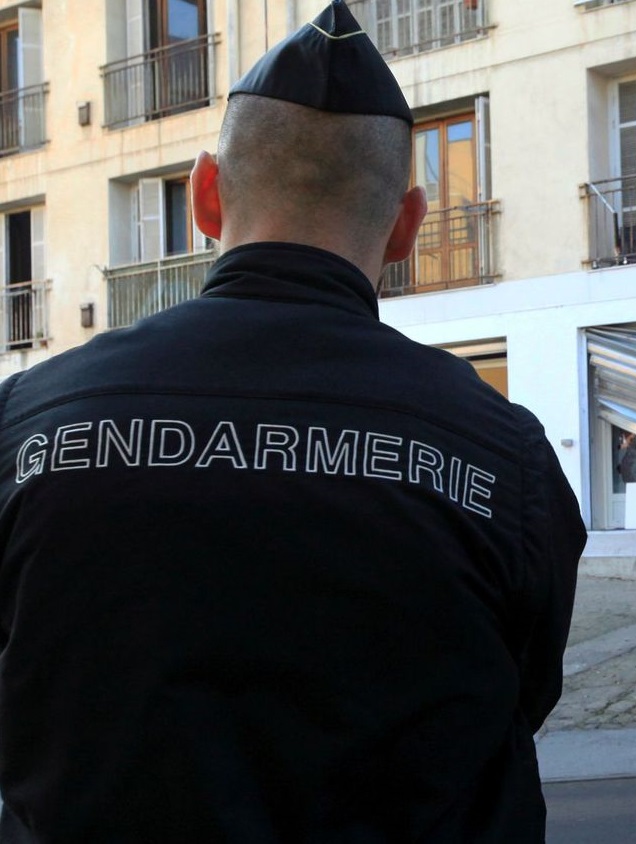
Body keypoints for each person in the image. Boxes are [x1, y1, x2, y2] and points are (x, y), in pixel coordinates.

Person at [0, 2, 585, 841]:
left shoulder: (30, 420)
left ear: (205, 194)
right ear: (406, 228)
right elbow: (523, 692)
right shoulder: (500, 454)